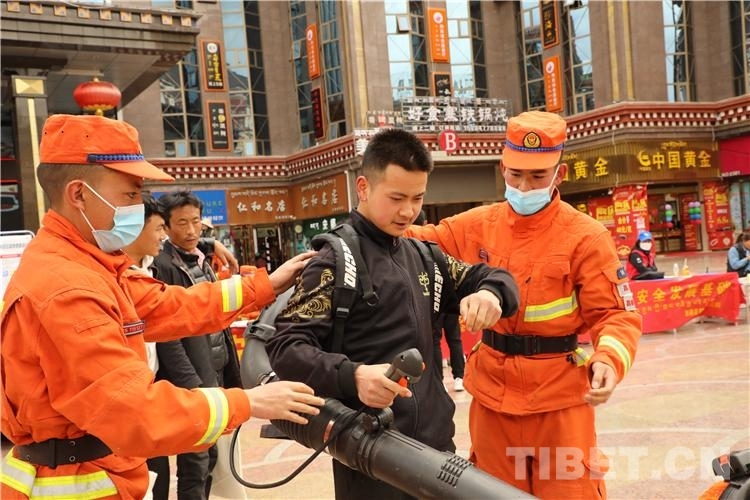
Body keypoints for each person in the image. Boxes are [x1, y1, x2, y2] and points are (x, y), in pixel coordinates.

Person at [0, 114, 324, 500]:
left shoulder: (87, 263)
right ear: (79, 194)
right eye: (130, 195)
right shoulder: (67, 288)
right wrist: (248, 402)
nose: (139, 208)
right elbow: (133, 412)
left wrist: (265, 286)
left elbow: (167, 304)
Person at [266, 128, 520, 499]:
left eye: (418, 198)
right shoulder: (335, 263)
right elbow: (286, 348)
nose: (408, 211)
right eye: (397, 198)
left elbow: (493, 276)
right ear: (364, 187)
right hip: (371, 458)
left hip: (436, 453)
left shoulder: (425, 256)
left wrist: (490, 293)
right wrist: (353, 376)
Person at [405, 110, 642, 498]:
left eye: (537, 176)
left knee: (570, 493)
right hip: (492, 398)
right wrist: (348, 243)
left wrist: (609, 360)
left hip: (560, 401)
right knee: (490, 494)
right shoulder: (476, 225)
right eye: (515, 174)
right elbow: (414, 240)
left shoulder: (587, 237)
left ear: (560, 175)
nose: (523, 186)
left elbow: (615, 314)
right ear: (502, 168)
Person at [149, 190, 244, 500]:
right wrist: (192, 384)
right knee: (195, 460)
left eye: (196, 222)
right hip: (192, 381)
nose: (191, 231)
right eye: (182, 223)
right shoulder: (162, 265)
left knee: (209, 456)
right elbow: (166, 335)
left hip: (213, 370)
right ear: (165, 226)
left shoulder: (199, 257)